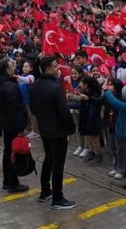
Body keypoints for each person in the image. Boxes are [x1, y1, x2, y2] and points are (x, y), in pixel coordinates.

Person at [29, 56, 76, 210]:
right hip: (58, 132)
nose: (58, 69)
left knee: (48, 159)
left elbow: (33, 109)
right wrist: (71, 129)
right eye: (55, 66)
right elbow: (64, 112)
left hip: (45, 130)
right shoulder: (56, 88)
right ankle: (58, 198)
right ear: (48, 69)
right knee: (58, 165)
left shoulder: (35, 85)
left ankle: (45, 191)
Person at [0, 59, 29, 193]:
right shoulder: (10, 87)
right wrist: (21, 127)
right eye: (12, 67)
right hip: (12, 125)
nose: (14, 69)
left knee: (7, 151)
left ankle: (7, 180)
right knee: (13, 153)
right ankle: (13, 183)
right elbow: (15, 110)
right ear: (7, 70)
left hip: (4, 122)